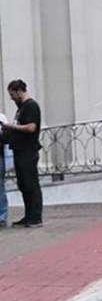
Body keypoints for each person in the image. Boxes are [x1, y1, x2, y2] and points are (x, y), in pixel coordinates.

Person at [2, 81, 43, 227]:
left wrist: (11, 126)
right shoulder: (21, 108)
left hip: (28, 151)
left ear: (19, 91)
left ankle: (35, 218)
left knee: (31, 184)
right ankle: (28, 216)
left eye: (12, 94)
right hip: (20, 151)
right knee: (24, 184)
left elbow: (31, 127)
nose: (11, 98)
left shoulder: (31, 106)